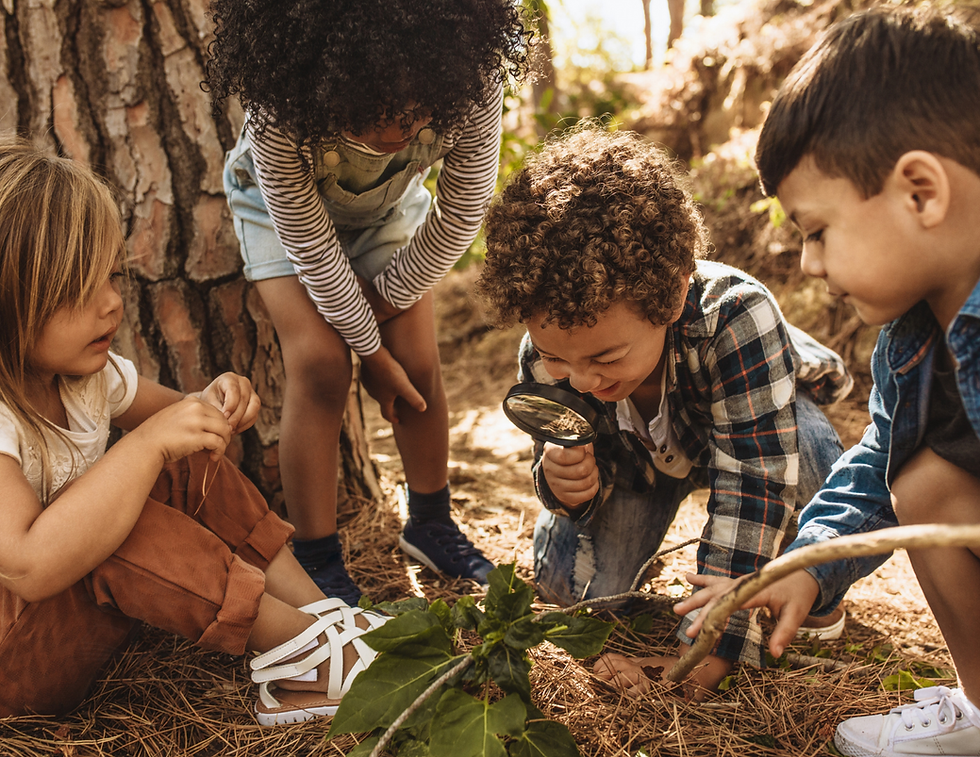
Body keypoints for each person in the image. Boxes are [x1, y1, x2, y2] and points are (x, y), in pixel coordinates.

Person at [670, 5, 980, 753]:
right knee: (923, 478)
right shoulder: (914, 333)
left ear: (920, 193)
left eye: (817, 232)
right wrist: (805, 567)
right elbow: (877, 464)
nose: (809, 264)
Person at [0, 137, 389, 725]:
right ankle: (304, 656)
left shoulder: (85, 377)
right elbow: (29, 564)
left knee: (182, 460)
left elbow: (182, 417)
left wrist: (214, 402)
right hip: (17, 663)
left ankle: (323, 618)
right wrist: (148, 443)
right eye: (80, 290)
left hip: (74, 624)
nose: (111, 305)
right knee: (121, 516)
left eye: (112, 277)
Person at [476, 124, 853, 695]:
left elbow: (754, 481)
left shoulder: (737, 317)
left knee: (810, 447)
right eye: (558, 358)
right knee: (569, 593)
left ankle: (812, 586)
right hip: (639, 465)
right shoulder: (548, 354)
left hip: (748, 429)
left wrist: (707, 649)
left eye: (606, 356)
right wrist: (563, 484)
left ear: (673, 295)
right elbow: (553, 451)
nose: (580, 379)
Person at [205, 0, 530, 603]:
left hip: (387, 211)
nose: (391, 135)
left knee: (418, 359)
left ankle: (432, 523)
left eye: (410, 117)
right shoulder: (281, 106)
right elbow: (311, 248)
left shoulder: (472, 80)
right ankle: (318, 556)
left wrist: (383, 323)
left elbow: (460, 216)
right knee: (322, 365)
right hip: (282, 219)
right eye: (364, 117)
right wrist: (368, 355)